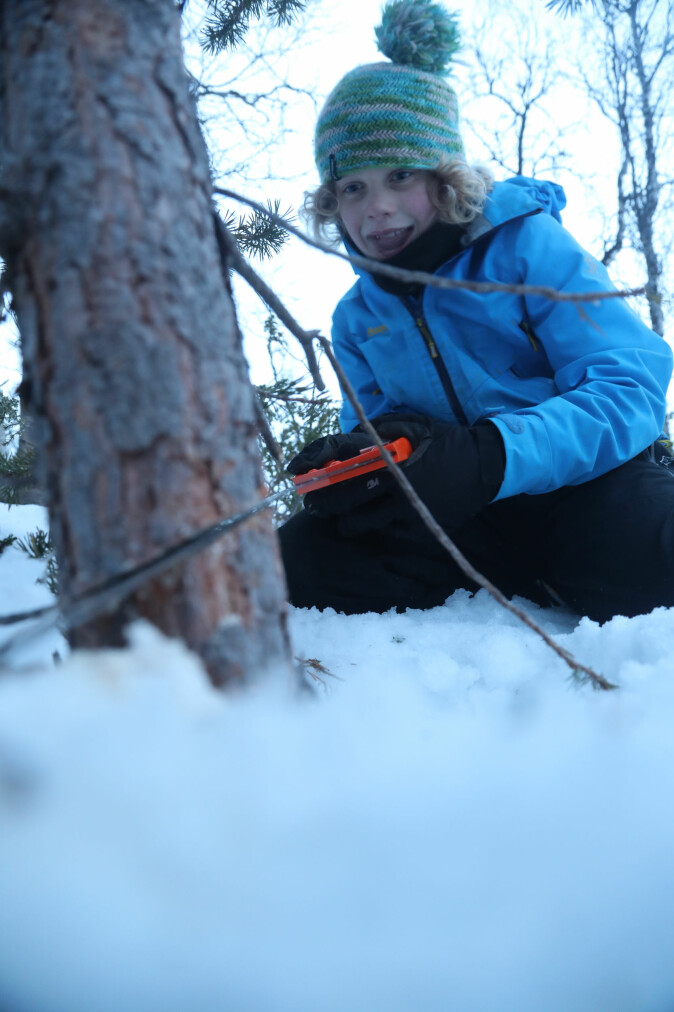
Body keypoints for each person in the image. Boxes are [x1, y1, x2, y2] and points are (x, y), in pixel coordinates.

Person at [279, 0, 674, 623]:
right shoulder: (356, 320)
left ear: (446, 177)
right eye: (352, 187)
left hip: (589, 493)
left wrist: (492, 455)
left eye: (400, 175)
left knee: (657, 547)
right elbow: (386, 433)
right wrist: (359, 470)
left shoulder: (525, 246)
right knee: (294, 559)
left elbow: (628, 387)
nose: (376, 207)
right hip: (466, 526)